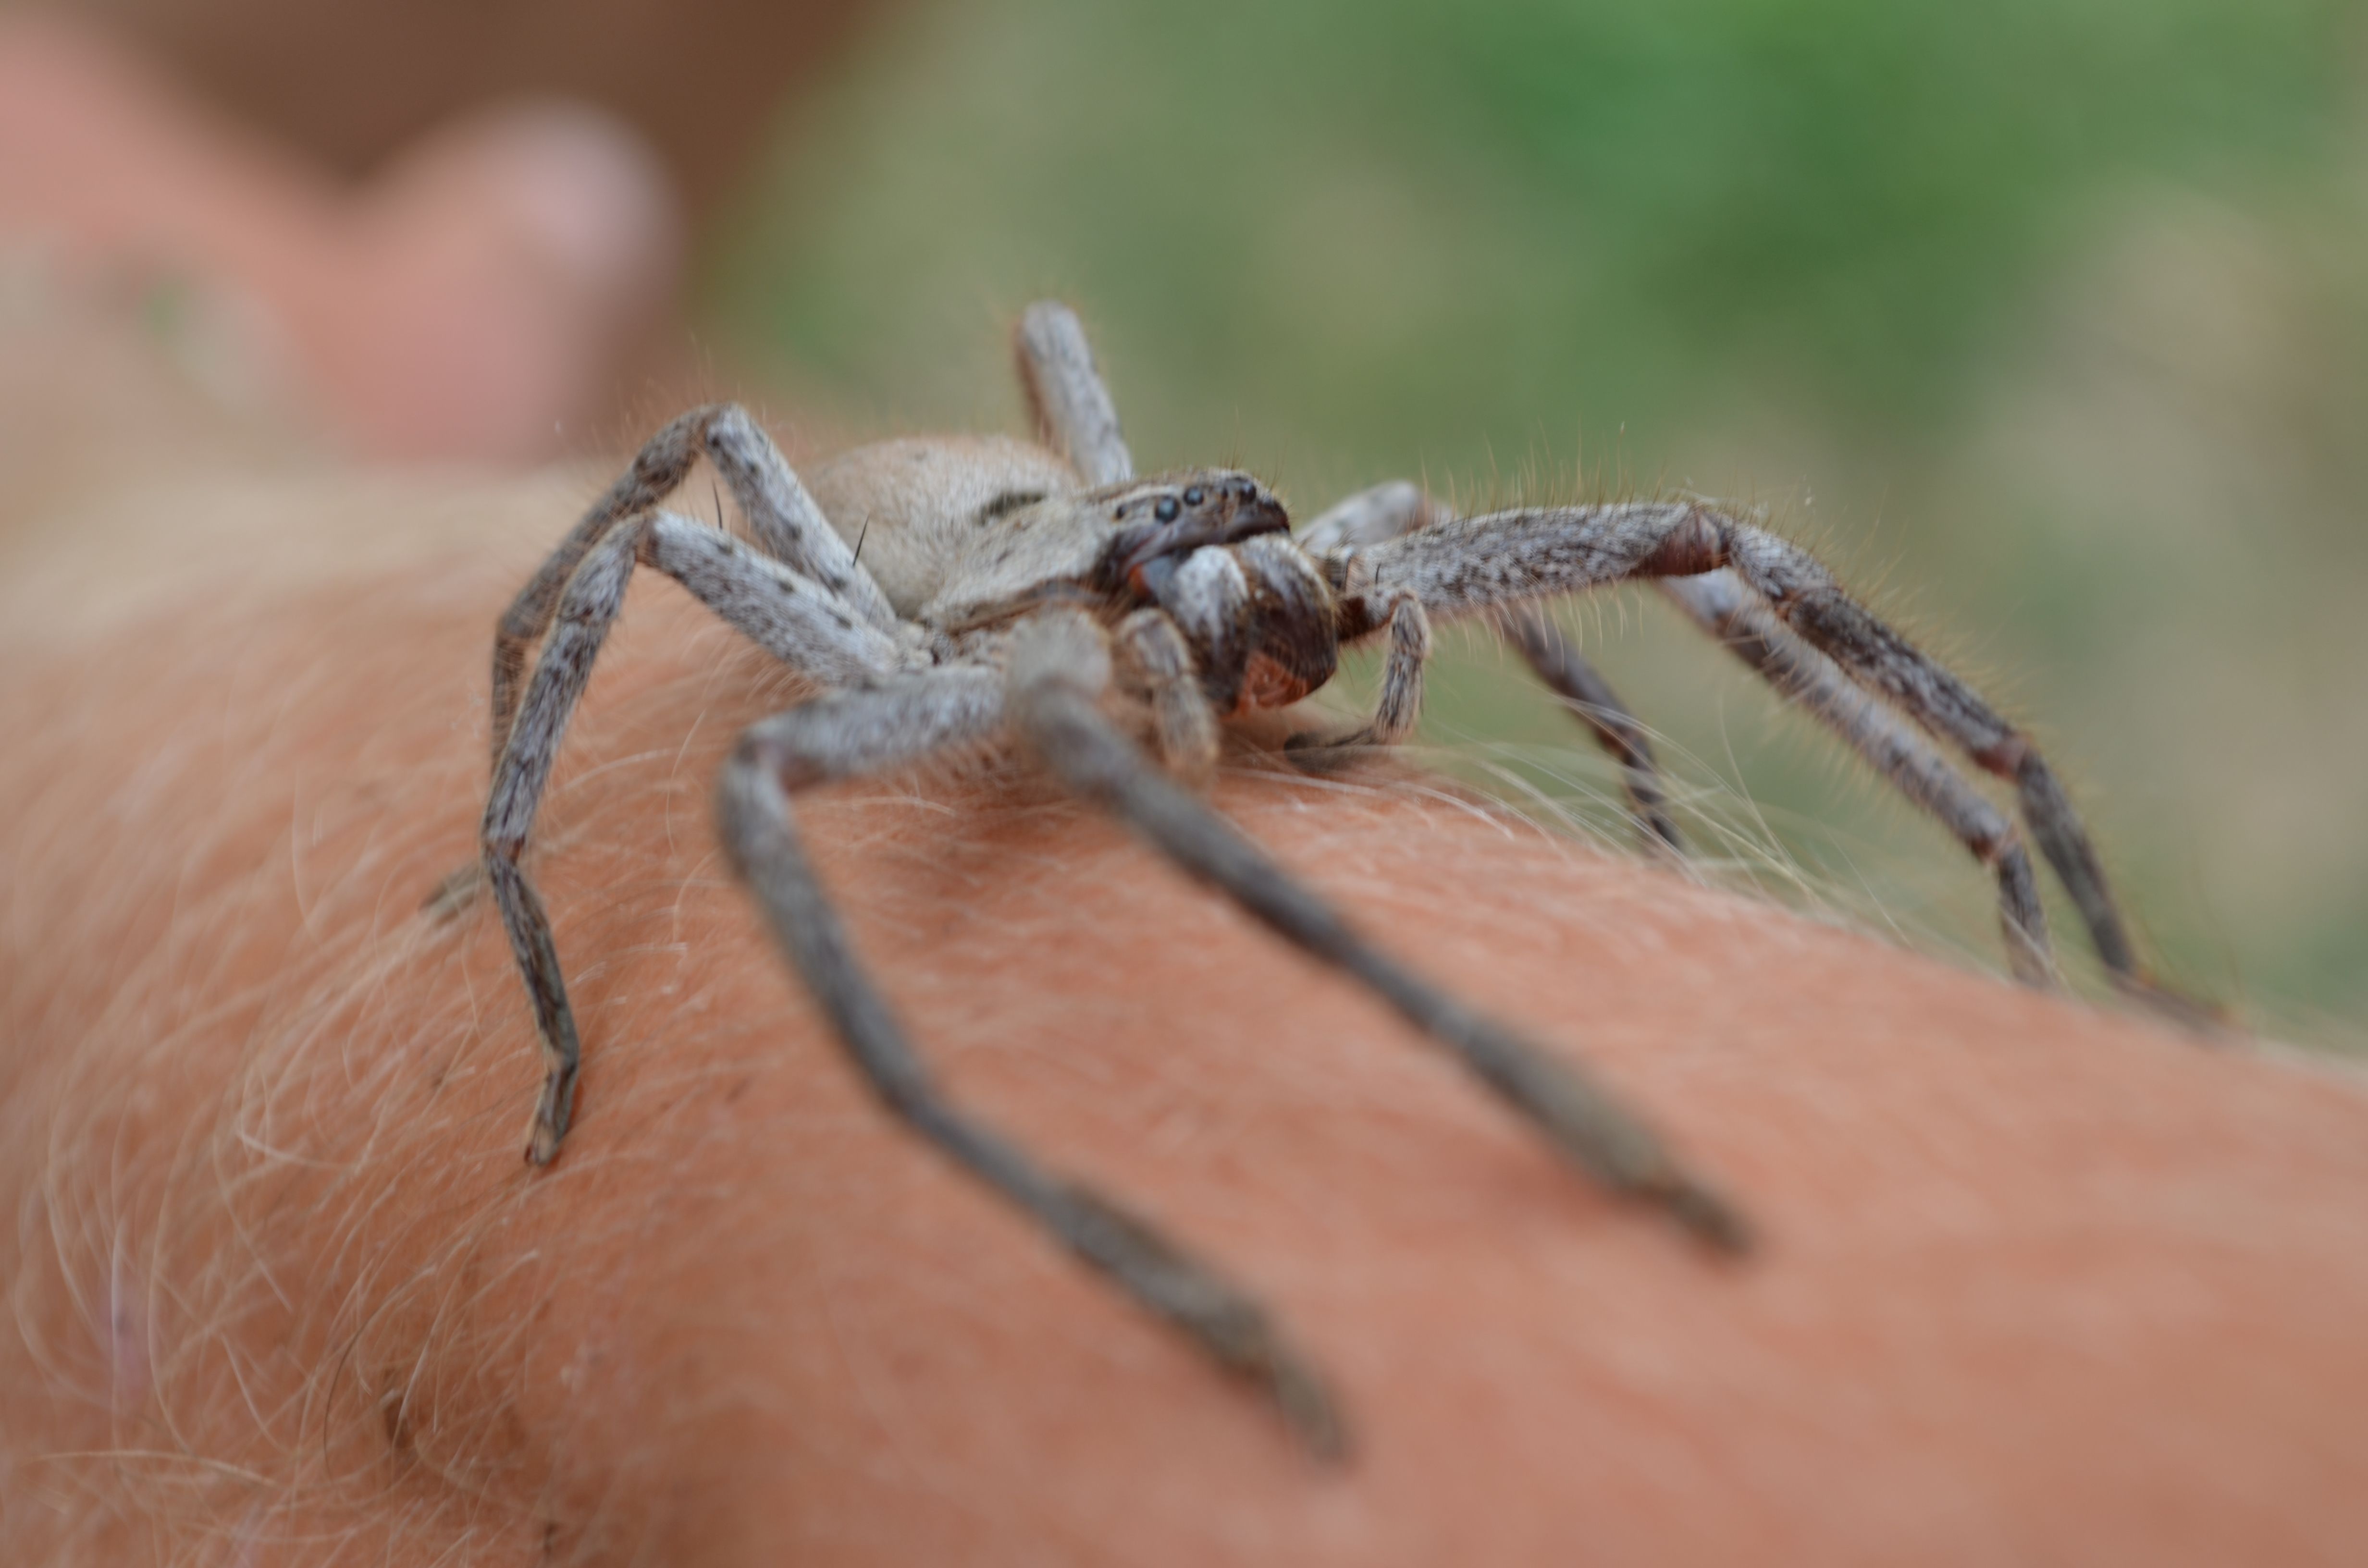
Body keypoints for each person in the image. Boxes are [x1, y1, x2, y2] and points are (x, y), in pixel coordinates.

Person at [5, 17, 2367, 1564]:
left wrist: (1631, 755)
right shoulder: (952, 678)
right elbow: (664, 551)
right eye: (1216, 593)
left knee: (1713, 551)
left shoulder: (1292, 561)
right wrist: (512, 872)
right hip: (952, 575)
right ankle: (1355, 1109)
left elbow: (1608, 572)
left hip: (1065, 520)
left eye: (1280, 579)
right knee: (708, 477)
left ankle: (2039, 878)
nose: (1268, 620)